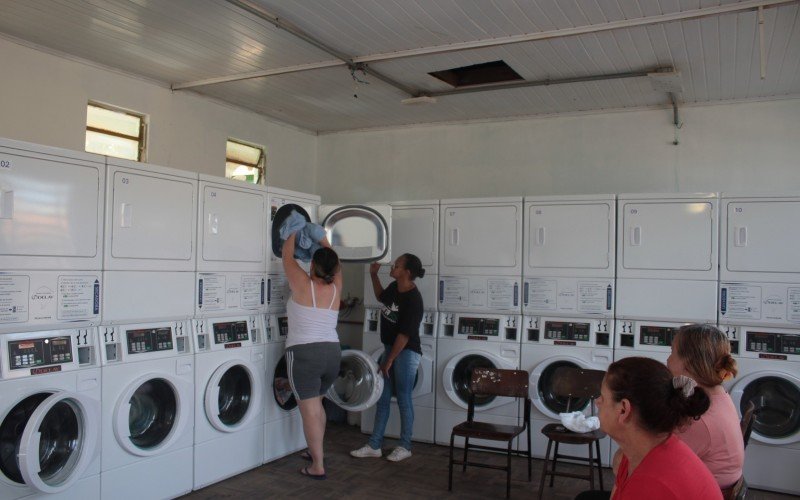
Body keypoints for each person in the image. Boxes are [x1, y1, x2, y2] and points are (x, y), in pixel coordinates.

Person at [596, 357, 721, 500]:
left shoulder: (649, 484)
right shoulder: (641, 452)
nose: (597, 402)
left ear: (623, 410)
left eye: (603, 398)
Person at [351, 253, 425, 462]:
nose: (392, 267)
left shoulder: (413, 299)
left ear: (407, 273)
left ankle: (405, 445)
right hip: (390, 348)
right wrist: (373, 275)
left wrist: (389, 360)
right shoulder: (395, 288)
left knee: (403, 397)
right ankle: (374, 445)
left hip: (406, 352)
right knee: (382, 397)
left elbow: (404, 335)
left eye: (397, 265)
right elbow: (381, 296)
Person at [282, 232, 342, 480]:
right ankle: (314, 451)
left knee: (310, 411)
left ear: (313, 265)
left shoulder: (303, 283)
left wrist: (297, 230)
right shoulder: (337, 284)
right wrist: (322, 237)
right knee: (317, 405)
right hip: (332, 353)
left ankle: (317, 465)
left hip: (305, 353)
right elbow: (335, 260)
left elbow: (286, 254)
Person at [668, 324, 744, 491]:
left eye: (672, 352)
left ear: (688, 362)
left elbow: (653, 464)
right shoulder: (718, 394)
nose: (667, 360)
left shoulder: (700, 418)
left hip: (698, 491)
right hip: (714, 484)